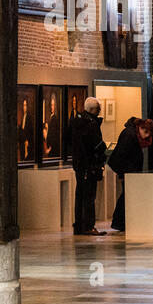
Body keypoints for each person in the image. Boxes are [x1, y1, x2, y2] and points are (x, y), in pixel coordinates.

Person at [108, 118, 153, 233]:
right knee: (126, 196)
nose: (146, 137)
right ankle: (119, 222)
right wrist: (124, 173)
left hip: (128, 171)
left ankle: (120, 222)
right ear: (141, 128)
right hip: (127, 171)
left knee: (126, 195)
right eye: (146, 133)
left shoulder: (132, 134)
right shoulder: (130, 135)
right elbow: (123, 155)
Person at [69, 96, 107, 236]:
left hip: (79, 165)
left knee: (80, 195)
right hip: (90, 165)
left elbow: (69, 142)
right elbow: (97, 145)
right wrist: (101, 154)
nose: (99, 112)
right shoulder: (91, 124)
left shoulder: (75, 122)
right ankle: (88, 226)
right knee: (89, 196)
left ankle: (79, 225)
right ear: (93, 110)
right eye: (98, 109)